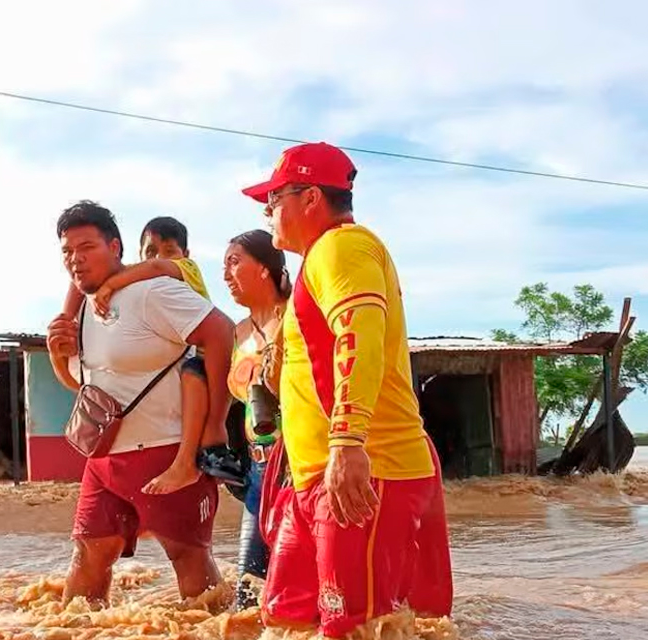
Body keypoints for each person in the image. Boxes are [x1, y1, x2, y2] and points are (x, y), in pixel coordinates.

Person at [241, 142, 453, 636]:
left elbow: (360, 332)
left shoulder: (342, 246)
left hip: (365, 470)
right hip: (317, 476)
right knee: (287, 617)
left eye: (274, 200)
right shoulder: (321, 260)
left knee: (357, 627)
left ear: (310, 197)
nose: (269, 212)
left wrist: (348, 441)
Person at [46, 200, 235, 608]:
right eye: (67, 252)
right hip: (104, 461)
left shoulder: (153, 291)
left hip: (168, 454)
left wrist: (214, 426)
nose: (75, 260)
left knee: (193, 570)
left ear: (116, 248)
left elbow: (221, 333)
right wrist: (57, 357)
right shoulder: (81, 312)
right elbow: (85, 387)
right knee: (86, 564)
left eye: (86, 248)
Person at [72, 215, 240, 495]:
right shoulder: (137, 287)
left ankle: (202, 444)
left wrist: (112, 284)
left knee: (190, 375)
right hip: (188, 369)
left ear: (185, 255)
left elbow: (155, 267)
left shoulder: (183, 270)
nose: (160, 257)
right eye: (150, 250)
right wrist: (68, 316)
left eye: (169, 250)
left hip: (207, 364)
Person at [222, 229, 291, 609]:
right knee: (249, 593)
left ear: (265, 268)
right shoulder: (238, 333)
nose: (226, 274)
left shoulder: (295, 317)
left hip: (297, 465)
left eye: (235, 262)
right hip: (258, 470)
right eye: (224, 266)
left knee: (301, 586)